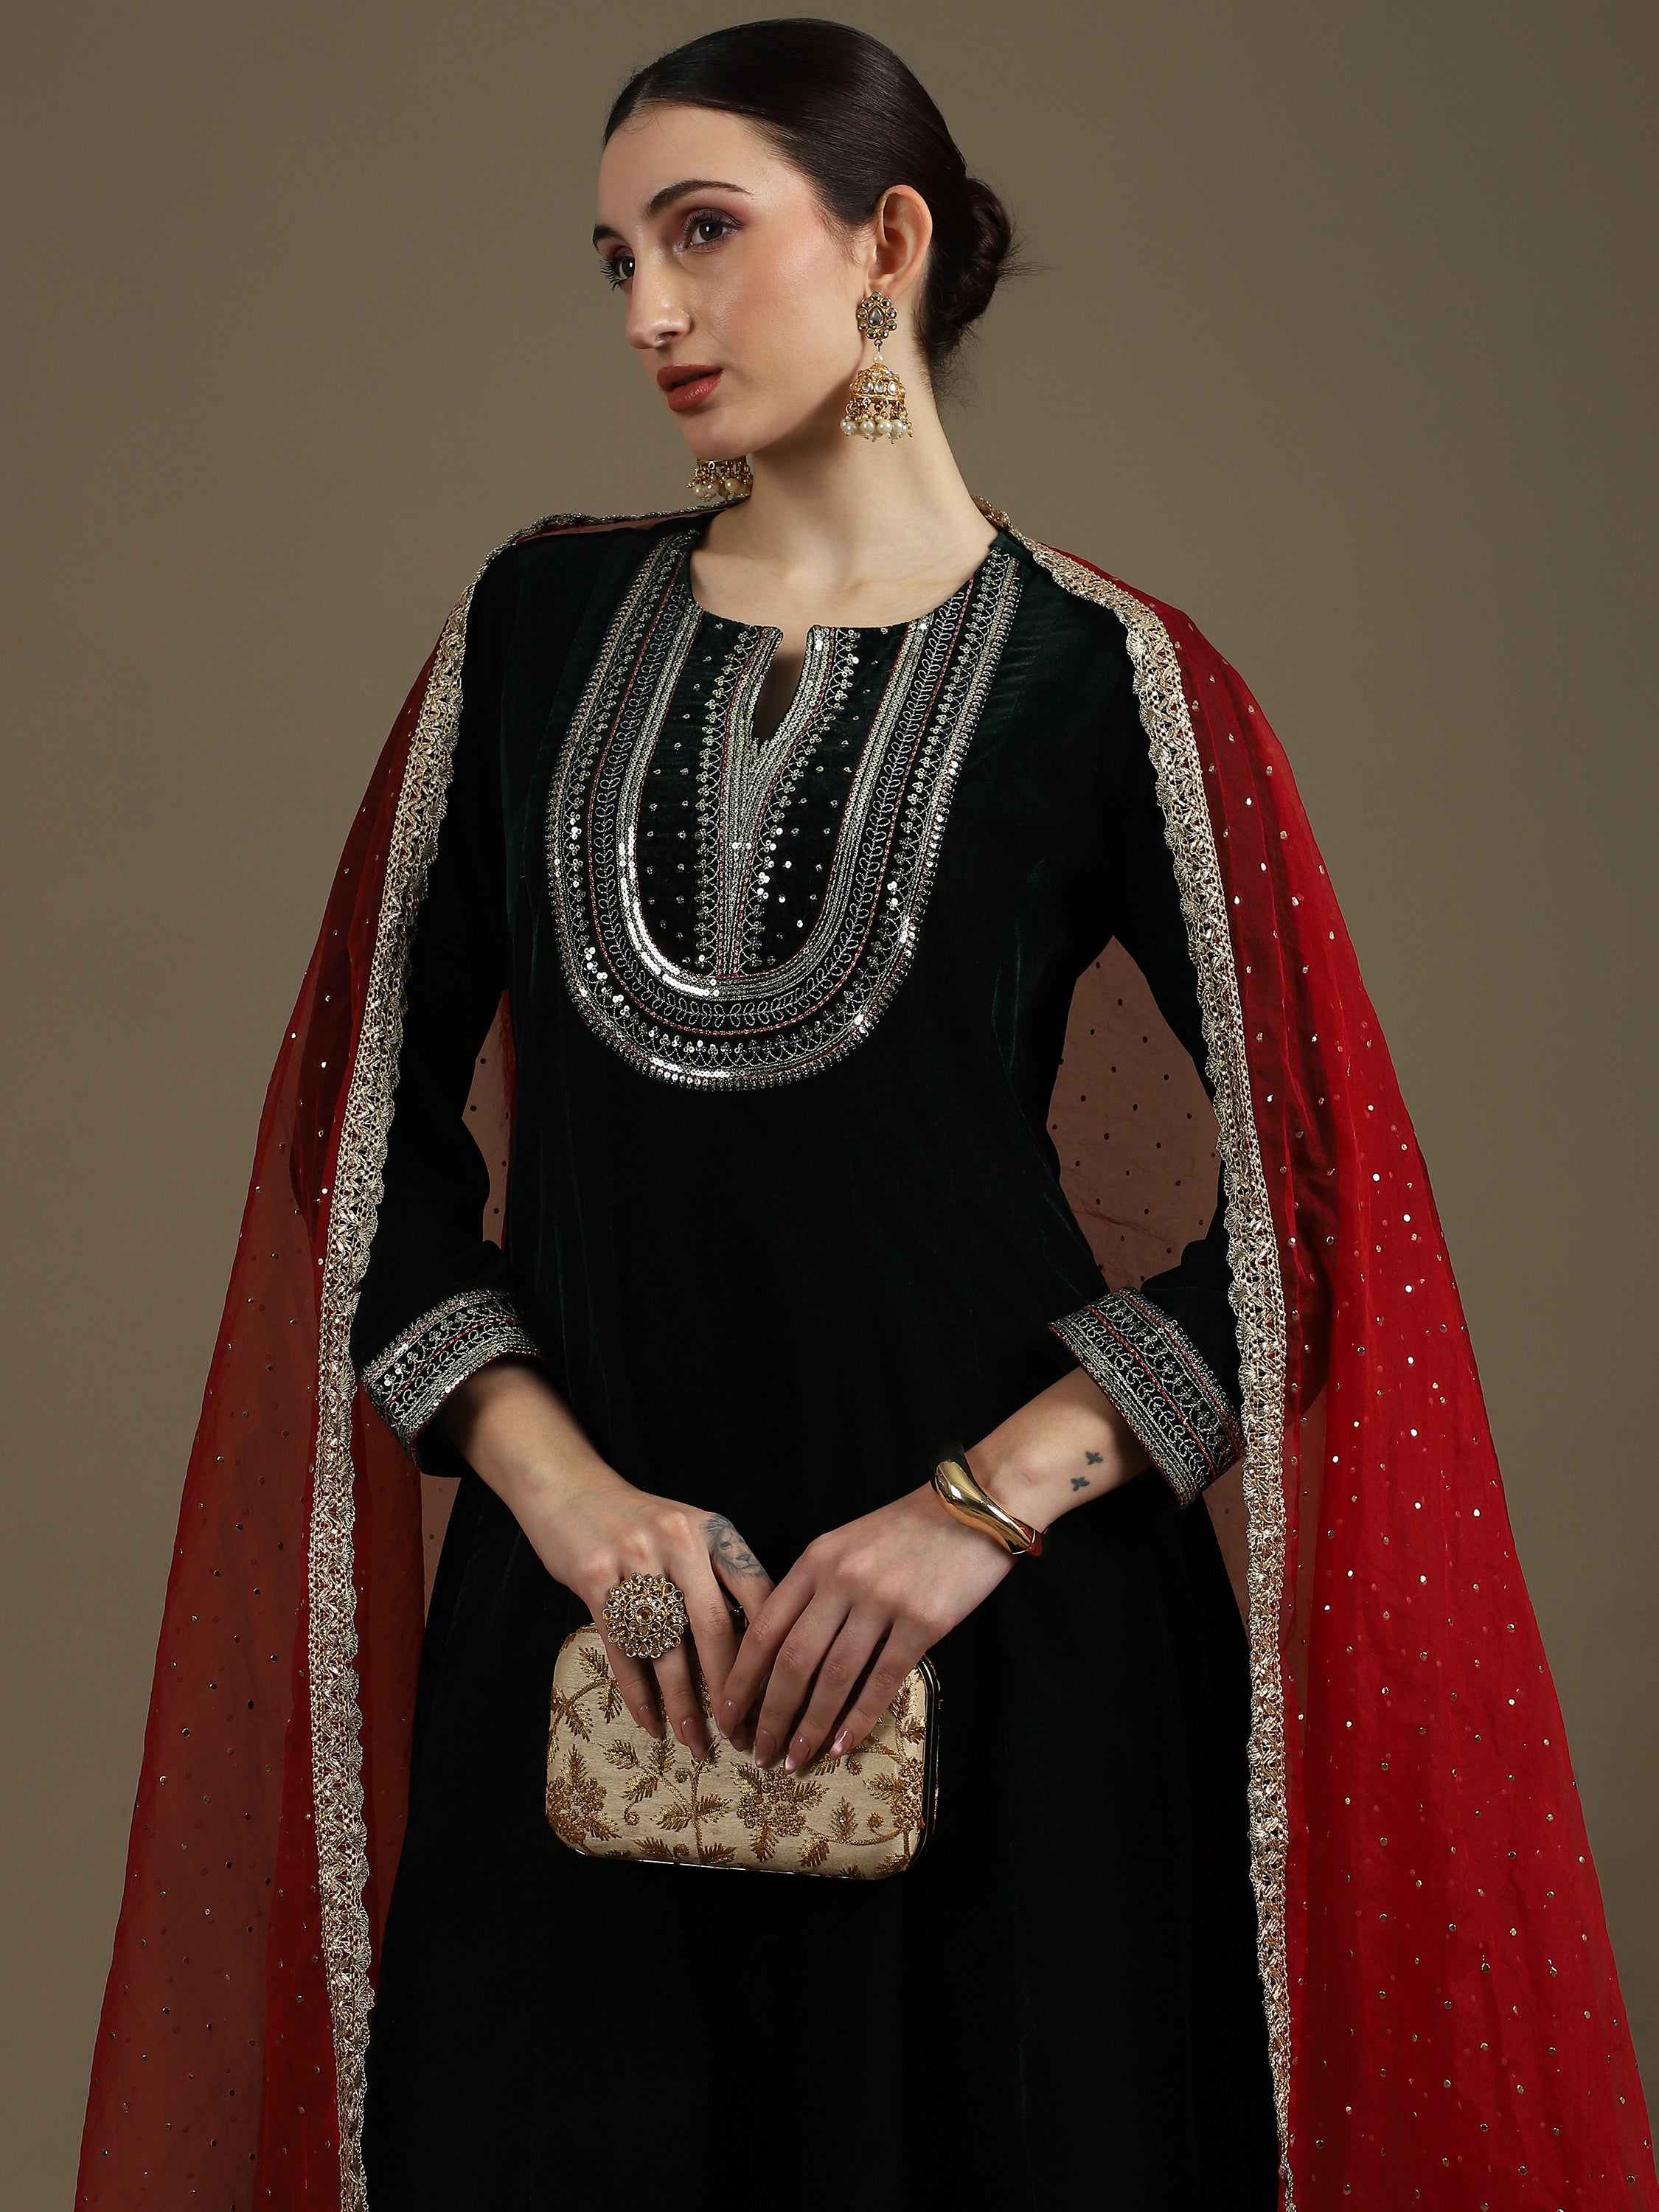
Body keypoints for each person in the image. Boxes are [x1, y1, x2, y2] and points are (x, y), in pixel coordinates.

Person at [77, 21, 1657, 2212]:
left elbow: (1322, 1211)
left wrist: (978, 1513)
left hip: (1014, 1673)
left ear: (888, 240)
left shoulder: (1111, 681)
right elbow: (357, 1155)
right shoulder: (527, 631)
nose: (650, 311)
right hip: (601, 1650)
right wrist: (560, 1499)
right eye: (617, 258)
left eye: (703, 234)